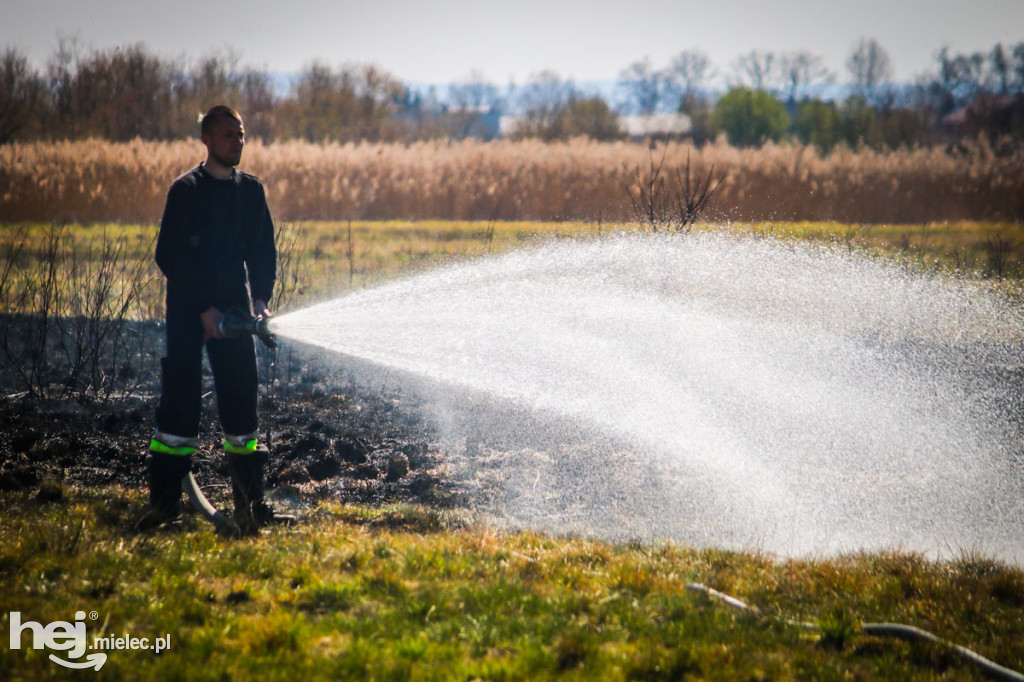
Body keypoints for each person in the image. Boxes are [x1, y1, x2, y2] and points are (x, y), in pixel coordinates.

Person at [141, 104, 288, 533]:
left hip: (237, 312)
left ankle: (248, 506)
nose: (237, 142)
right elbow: (169, 255)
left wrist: (260, 301)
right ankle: (164, 507)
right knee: (179, 410)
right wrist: (205, 310)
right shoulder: (186, 191)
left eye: (241, 134)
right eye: (228, 135)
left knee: (243, 410)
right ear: (206, 139)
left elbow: (263, 251)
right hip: (189, 310)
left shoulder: (251, 191)